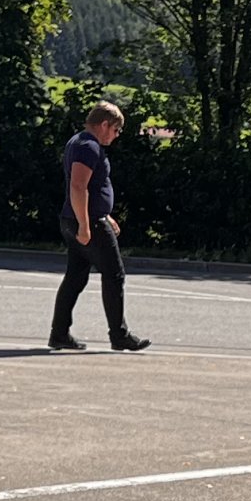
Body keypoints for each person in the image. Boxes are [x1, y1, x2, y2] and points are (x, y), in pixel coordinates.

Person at [50, 99, 148, 352]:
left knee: (75, 277)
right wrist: (86, 225)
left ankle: (59, 334)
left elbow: (89, 189)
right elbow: (78, 186)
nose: (116, 135)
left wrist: (104, 214)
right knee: (114, 275)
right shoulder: (88, 147)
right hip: (88, 222)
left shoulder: (79, 141)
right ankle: (119, 335)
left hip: (78, 218)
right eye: (116, 130)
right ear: (104, 124)